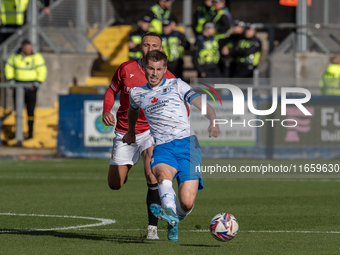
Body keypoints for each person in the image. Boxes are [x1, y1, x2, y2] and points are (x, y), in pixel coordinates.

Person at [123, 50, 220, 241]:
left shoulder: (177, 85)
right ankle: (168, 211)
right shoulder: (137, 93)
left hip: (187, 146)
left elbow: (202, 104)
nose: (154, 73)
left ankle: (174, 218)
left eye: (159, 69)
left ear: (165, 69)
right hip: (162, 147)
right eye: (150, 68)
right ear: (144, 67)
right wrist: (131, 131)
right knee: (161, 175)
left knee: (186, 202)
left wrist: (213, 119)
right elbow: (132, 111)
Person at [101, 32, 176, 240]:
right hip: (125, 131)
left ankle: (152, 228)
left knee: (153, 175)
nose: (150, 47)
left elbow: (181, 105)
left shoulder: (168, 77)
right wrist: (106, 110)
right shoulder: (126, 69)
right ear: (140, 48)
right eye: (146, 44)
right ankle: (124, 165)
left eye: (155, 45)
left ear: (161, 49)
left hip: (151, 131)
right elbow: (111, 91)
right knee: (115, 184)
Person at [4, 39, 48, 139]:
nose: (30, 50)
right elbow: (9, 67)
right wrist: (11, 81)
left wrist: (36, 84)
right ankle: (18, 132)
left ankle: (30, 133)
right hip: (18, 86)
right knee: (18, 111)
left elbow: (42, 70)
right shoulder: (15, 56)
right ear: (22, 48)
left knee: (30, 111)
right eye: (27, 48)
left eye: (30, 48)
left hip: (31, 87)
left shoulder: (37, 57)